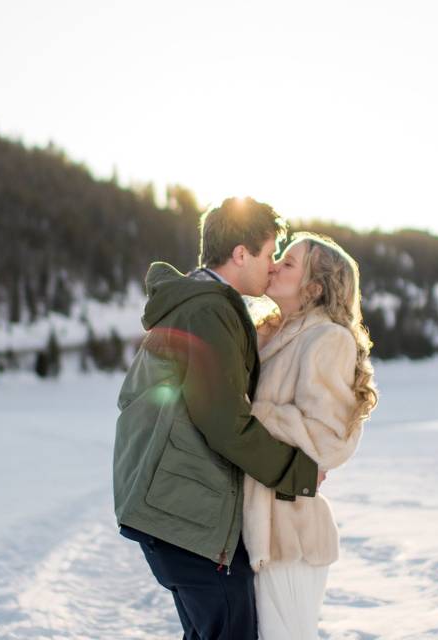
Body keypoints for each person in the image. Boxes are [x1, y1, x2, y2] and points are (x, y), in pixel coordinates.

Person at [113, 197, 322, 639]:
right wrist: (299, 471)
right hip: (186, 515)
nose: (273, 266)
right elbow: (225, 422)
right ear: (241, 253)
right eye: (269, 254)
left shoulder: (203, 305)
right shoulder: (209, 311)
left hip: (173, 510)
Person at [243, 231, 379, 639]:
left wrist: (253, 415)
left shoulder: (328, 340)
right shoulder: (269, 333)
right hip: (255, 527)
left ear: (313, 288)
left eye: (288, 263)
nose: (275, 265)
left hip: (291, 535)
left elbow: (328, 440)